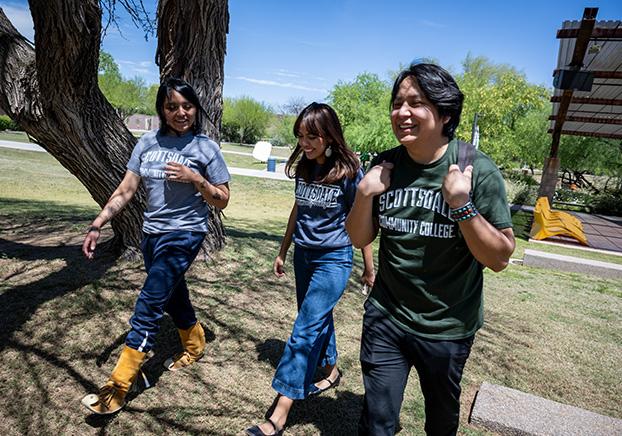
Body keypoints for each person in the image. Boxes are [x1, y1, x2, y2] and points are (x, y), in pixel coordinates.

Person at [346, 63, 515, 435]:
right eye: (397, 103)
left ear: (445, 114)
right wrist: (363, 193)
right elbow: (360, 239)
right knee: (376, 421)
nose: (401, 112)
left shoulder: (476, 170)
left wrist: (462, 206)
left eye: (415, 103)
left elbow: (500, 257)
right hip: (387, 316)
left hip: (447, 326)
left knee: (439, 420)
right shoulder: (385, 165)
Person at [80, 77, 231, 415]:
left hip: (185, 235)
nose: (180, 112)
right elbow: (126, 190)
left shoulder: (206, 148)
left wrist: (197, 180)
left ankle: (118, 386)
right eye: (172, 106)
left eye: (187, 106)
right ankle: (195, 344)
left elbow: (222, 200)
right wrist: (97, 224)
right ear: (162, 109)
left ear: (196, 108)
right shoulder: (147, 142)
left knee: (149, 302)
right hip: (152, 235)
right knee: (172, 292)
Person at [246, 103, 375, 436]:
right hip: (303, 256)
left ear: (328, 135)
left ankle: (279, 414)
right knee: (317, 316)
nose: (305, 142)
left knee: (304, 328)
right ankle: (330, 369)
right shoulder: (304, 167)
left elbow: (360, 220)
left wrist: (369, 266)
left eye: (312, 136)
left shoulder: (349, 171)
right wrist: (282, 250)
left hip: (333, 260)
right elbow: (297, 210)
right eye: (300, 135)